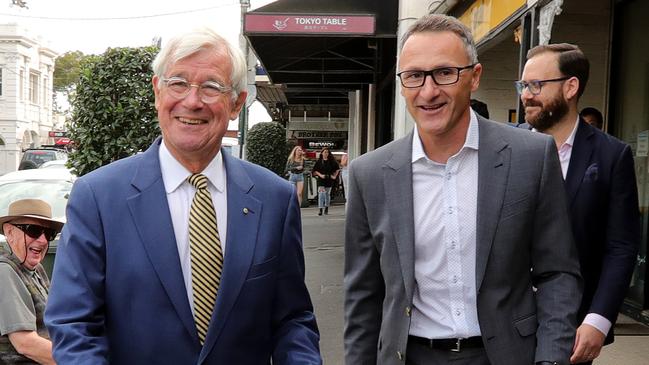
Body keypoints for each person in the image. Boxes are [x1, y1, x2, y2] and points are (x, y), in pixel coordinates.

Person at [44, 27, 321, 364]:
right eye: (178, 83)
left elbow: (293, 320)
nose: (192, 101)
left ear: (236, 103)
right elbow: (74, 325)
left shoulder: (275, 199)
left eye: (211, 87)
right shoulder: (98, 197)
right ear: (157, 91)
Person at [344, 14, 582, 365]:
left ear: (474, 77)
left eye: (444, 73)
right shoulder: (370, 174)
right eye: (414, 76)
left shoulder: (531, 157)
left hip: (506, 356)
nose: (428, 91)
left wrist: (550, 358)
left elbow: (558, 273)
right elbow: (363, 297)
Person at [519, 43, 640, 365]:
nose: (526, 95)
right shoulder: (504, 148)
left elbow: (621, 246)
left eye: (536, 85)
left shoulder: (611, 156)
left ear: (570, 87)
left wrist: (598, 320)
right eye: (523, 85)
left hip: (572, 329)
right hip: (500, 324)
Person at [0, 198, 64, 364]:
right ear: (9, 232)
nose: (43, 240)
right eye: (33, 230)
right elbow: (26, 344)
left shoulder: (36, 269)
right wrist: (79, 360)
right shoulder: (4, 271)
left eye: (48, 233)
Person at [311, 147, 339, 216]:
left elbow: (337, 169)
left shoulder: (332, 161)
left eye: (327, 152)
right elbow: (314, 171)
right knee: (321, 194)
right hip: (321, 180)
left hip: (329, 179)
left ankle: (326, 207)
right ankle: (320, 209)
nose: (326, 153)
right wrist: (320, 175)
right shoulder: (319, 162)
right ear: (322, 153)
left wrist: (334, 176)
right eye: (324, 152)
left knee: (327, 195)